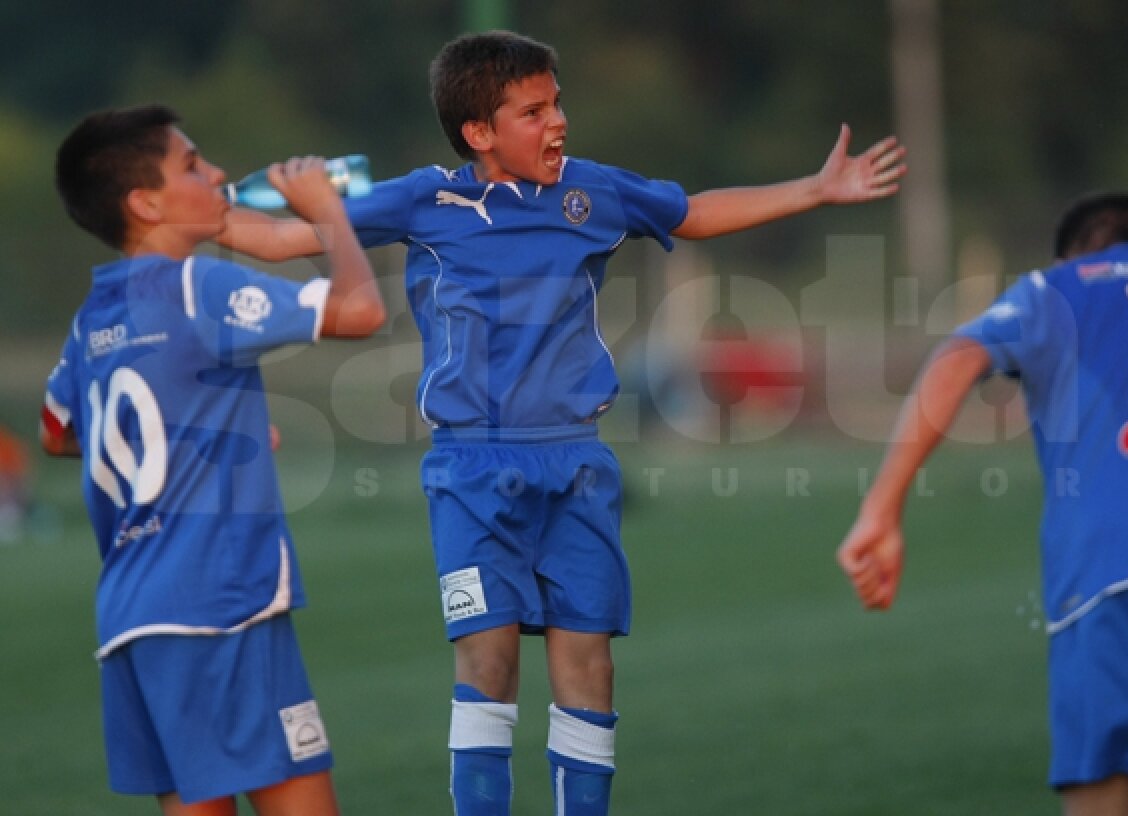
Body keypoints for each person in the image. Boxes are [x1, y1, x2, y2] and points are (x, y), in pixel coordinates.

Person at [221, 30, 905, 816]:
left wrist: (814, 190)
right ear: (479, 132)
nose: (558, 123)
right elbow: (276, 237)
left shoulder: (592, 193)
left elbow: (689, 212)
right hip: (473, 470)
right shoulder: (426, 200)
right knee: (490, 662)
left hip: (577, 465)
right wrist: (203, 217)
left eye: (558, 104)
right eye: (533, 111)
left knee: (590, 669)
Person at [41, 104, 385, 815]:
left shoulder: (93, 318)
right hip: (220, 602)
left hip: (132, 616)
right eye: (192, 164)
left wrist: (197, 428)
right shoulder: (199, 287)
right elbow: (360, 312)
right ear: (147, 201)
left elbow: (57, 431)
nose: (217, 173)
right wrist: (327, 213)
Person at [839, 192, 1128, 815]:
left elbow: (956, 360)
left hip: (1109, 571)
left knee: (1108, 799)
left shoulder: (1055, 287)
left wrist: (882, 507)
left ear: (1072, 253)